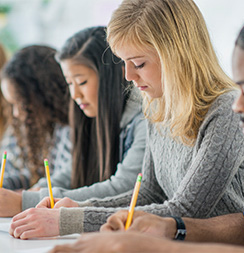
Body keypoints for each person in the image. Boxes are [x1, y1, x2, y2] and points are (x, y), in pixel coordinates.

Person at [9, 0, 244, 240]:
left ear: (177, 55)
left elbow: (187, 211)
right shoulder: (156, 104)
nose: (129, 75)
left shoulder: (227, 111)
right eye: (124, 63)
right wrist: (80, 207)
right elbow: (148, 193)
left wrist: (70, 220)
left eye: (139, 64)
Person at [0, 27, 146, 214]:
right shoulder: (89, 116)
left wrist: (25, 200)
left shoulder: (142, 120)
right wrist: (37, 190)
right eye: (70, 83)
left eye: (82, 82)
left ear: (112, 76)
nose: (75, 95)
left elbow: (123, 187)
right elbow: (71, 171)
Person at [0, 45, 71, 192]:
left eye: (23, 104)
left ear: (44, 94)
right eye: (12, 105)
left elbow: (64, 180)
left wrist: (24, 198)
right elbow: (34, 174)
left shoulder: (71, 129)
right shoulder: (47, 129)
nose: (16, 113)